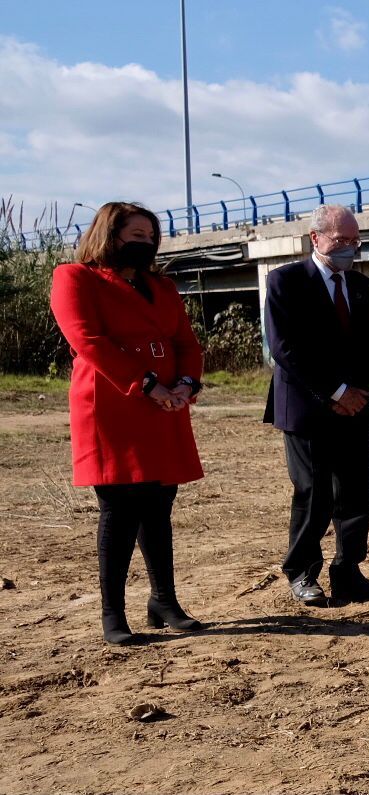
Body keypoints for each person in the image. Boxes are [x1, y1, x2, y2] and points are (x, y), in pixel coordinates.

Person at [49, 201, 205, 646]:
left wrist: (186, 386)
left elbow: (185, 342)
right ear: (109, 234)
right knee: (119, 509)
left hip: (167, 406)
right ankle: (112, 614)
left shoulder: (163, 286)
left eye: (151, 237)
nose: (147, 243)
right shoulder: (75, 277)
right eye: (137, 235)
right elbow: (88, 341)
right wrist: (148, 385)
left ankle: (164, 601)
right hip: (114, 406)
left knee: (159, 507)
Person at [263, 204, 369, 605]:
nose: (349, 248)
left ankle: (348, 572)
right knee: (313, 494)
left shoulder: (363, 288)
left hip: (355, 408)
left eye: (354, 241)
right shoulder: (285, 282)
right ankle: (302, 572)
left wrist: (360, 392)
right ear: (315, 238)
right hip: (307, 409)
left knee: (355, 495)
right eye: (340, 240)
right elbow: (285, 349)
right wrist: (336, 392)